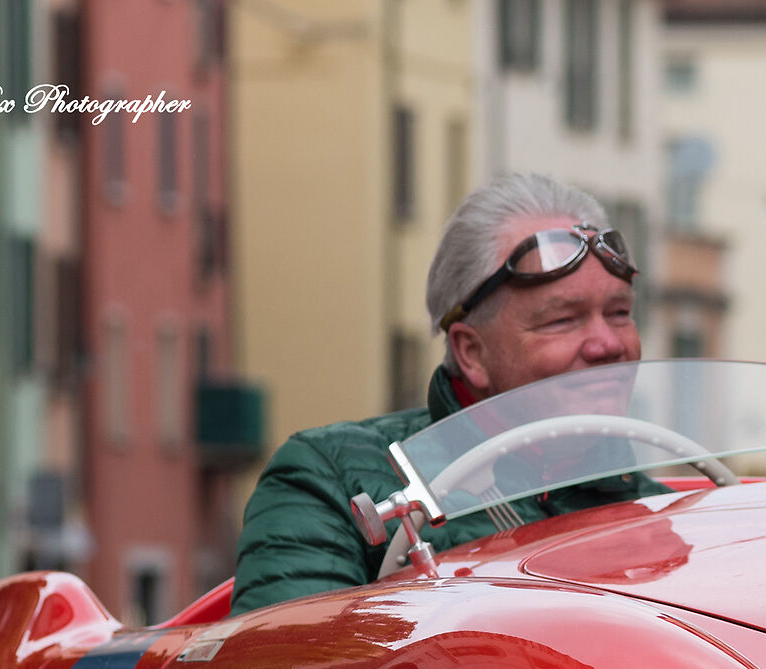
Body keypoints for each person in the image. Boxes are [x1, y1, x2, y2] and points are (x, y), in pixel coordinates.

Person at [233, 174, 668, 613]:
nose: (609, 344)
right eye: (562, 320)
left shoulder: (668, 508)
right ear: (472, 353)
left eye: (619, 313)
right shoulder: (330, 479)